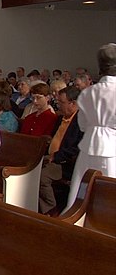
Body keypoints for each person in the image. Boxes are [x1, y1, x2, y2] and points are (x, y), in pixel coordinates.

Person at [66, 43, 116, 209]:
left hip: (88, 146)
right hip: (112, 150)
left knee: (82, 191)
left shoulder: (88, 92)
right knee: (109, 197)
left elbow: (82, 125)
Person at [39, 86, 83, 216]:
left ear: (73, 103)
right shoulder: (60, 118)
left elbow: (76, 149)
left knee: (42, 176)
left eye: (61, 102)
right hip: (50, 156)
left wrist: (56, 156)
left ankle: (51, 211)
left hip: (65, 163)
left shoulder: (81, 122)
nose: (58, 105)